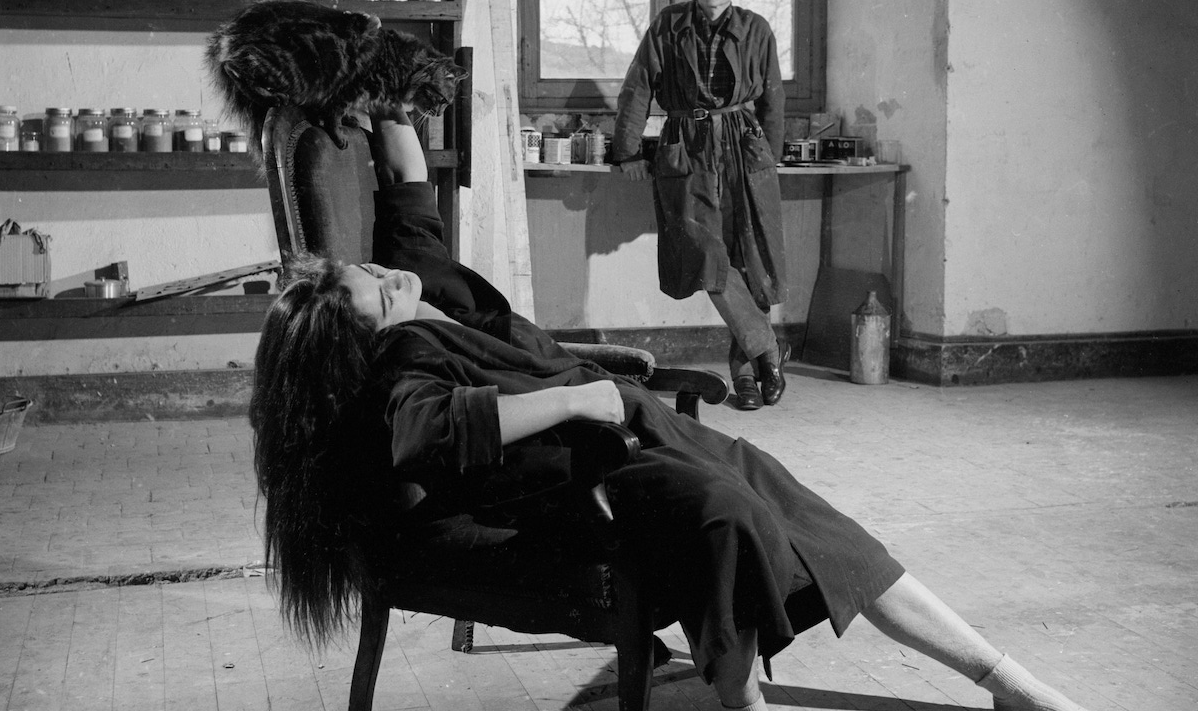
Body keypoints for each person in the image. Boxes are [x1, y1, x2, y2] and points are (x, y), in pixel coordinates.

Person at [249, 110, 1092, 711]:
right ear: (353, 334)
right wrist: (582, 394)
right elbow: (430, 432)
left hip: (643, 427)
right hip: (587, 472)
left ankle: (1004, 679)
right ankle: (744, 700)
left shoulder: (422, 281)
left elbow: (405, 176)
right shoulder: (404, 360)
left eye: (376, 269)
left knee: (805, 511)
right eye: (374, 290)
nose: (389, 277)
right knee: (723, 512)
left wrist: (382, 84)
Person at [612, 0, 789, 412]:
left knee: (747, 258)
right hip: (687, 148)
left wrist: (764, 162)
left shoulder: (757, 29)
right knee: (707, 255)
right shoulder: (668, 24)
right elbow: (637, 88)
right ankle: (767, 348)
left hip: (743, 146)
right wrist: (627, 151)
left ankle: (747, 376)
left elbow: (773, 102)